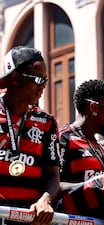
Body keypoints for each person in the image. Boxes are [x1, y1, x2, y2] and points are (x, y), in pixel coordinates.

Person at [0, 46, 60, 225]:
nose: (43, 86)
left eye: (46, 80)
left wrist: (45, 199)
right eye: (38, 79)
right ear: (15, 78)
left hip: (30, 218)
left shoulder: (46, 121)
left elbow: (53, 175)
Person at [58, 79, 104, 192]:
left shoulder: (100, 148)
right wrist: (94, 186)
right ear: (94, 108)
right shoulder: (63, 138)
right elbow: (54, 185)